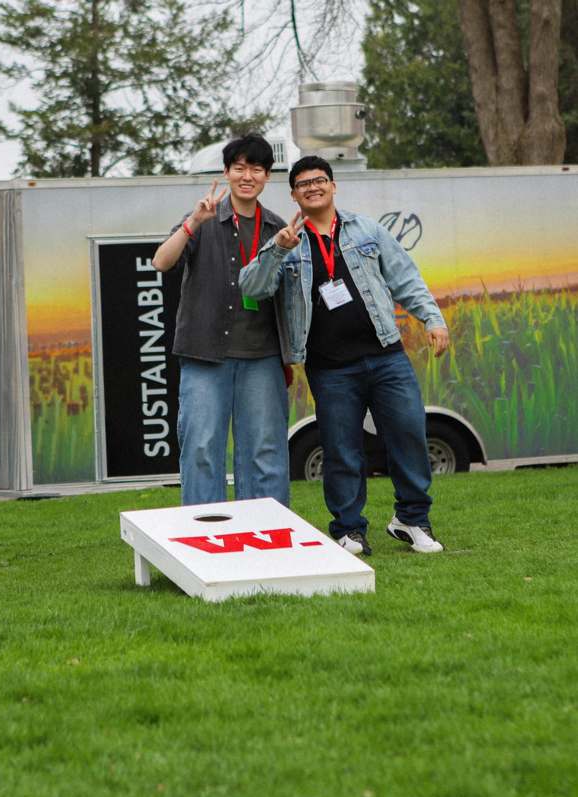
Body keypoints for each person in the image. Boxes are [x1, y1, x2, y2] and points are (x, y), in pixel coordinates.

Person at [239, 155, 449, 555]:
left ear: (333, 186)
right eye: (303, 183)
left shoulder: (365, 229)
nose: (313, 187)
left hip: (387, 356)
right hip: (331, 368)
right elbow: (251, 286)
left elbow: (405, 277)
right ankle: (349, 529)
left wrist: (432, 319)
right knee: (341, 449)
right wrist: (276, 251)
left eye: (320, 180)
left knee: (409, 436)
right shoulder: (287, 240)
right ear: (294, 194)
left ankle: (412, 519)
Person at [152, 134, 291, 507]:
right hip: (204, 354)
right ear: (227, 172)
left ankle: (268, 536)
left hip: (262, 356)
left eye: (257, 169)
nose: (248, 176)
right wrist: (194, 221)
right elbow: (161, 262)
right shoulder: (203, 216)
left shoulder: (276, 228)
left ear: (267, 177)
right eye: (240, 168)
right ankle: (202, 542)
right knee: (201, 448)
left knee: (265, 451)